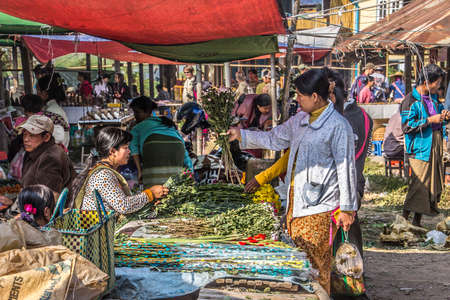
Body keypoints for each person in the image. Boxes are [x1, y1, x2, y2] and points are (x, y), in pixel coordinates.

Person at [228, 69, 357, 295]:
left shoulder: (338, 126)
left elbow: (346, 168)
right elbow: (274, 138)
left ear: (315, 97)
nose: (297, 100)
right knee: (300, 265)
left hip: (322, 207)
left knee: (317, 266)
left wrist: (347, 208)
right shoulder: (300, 119)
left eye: (300, 95)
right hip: (296, 204)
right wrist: (241, 135)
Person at [70, 127, 168, 214]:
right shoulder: (103, 175)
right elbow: (124, 206)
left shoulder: (106, 171)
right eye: (125, 148)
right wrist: (150, 194)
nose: (129, 151)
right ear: (112, 151)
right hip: (100, 231)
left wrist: (149, 203)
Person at [401, 64, 447, 227]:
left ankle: (417, 222)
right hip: (419, 148)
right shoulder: (410, 101)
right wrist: (428, 120)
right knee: (418, 184)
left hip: (433, 145)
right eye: (438, 82)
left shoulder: (433, 99)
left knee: (428, 185)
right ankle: (403, 221)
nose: (439, 86)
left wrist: (444, 115)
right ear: (428, 81)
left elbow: (440, 116)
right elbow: (407, 126)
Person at [129, 96, 193, 184]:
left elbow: (134, 150)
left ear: (147, 111)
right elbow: (181, 145)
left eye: (137, 112)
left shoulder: (137, 128)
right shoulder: (166, 122)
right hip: (178, 149)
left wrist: (140, 172)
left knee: (153, 190)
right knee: (175, 186)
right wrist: (190, 171)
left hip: (155, 148)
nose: (135, 116)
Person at [19, 115, 74, 201]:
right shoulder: (33, 152)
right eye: (24, 134)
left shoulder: (50, 158)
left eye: (32, 135)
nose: (26, 139)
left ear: (46, 137)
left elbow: (50, 199)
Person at [36, 74, 70, 149]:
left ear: (44, 93)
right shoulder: (53, 108)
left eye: (38, 90)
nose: (36, 93)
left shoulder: (51, 111)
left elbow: (58, 138)